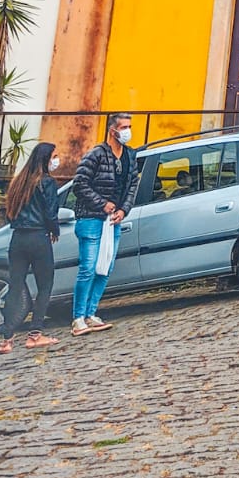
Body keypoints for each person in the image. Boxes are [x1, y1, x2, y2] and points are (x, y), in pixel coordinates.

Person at [71, 112, 140, 336]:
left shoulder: (130, 155)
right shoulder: (96, 155)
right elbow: (79, 184)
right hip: (91, 218)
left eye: (130, 126)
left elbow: (132, 186)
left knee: (105, 268)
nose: (128, 131)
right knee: (88, 267)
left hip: (113, 221)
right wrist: (102, 204)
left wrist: (123, 209)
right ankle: (78, 317)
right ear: (113, 131)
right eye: (124, 127)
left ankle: (91, 313)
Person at [0, 141, 62, 352]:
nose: (56, 160)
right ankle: (35, 334)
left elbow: (9, 213)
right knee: (44, 286)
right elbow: (51, 212)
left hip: (18, 239)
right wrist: (55, 230)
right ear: (46, 159)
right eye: (54, 156)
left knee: (15, 288)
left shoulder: (18, 183)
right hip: (38, 237)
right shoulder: (47, 183)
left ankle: (7, 339)